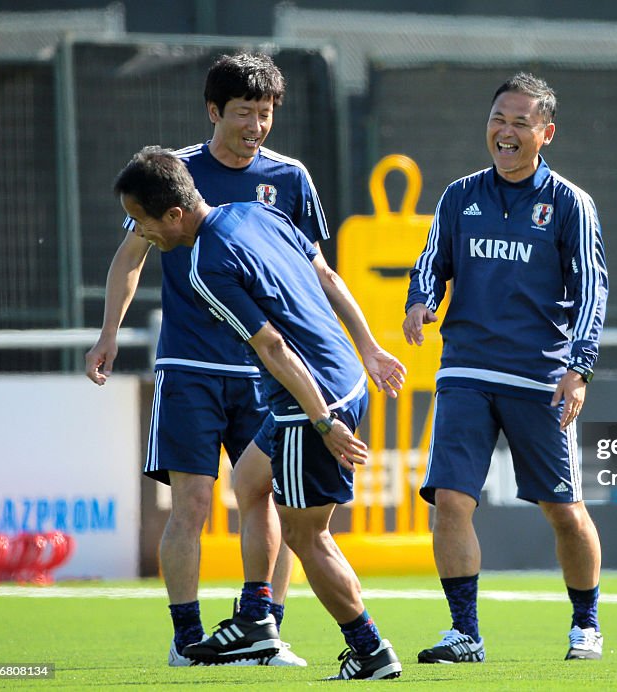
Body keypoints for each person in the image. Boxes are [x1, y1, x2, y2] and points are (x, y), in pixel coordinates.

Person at [85, 53, 402, 667]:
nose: (256, 125)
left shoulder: (279, 187)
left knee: (302, 527)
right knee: (225, 493)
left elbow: (306, 297)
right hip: (200, 367)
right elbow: (130, 256)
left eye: (265, 114)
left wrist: (348, 376)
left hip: (288, 376)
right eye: (244, 113)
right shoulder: (176, 178)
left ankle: (348, 644)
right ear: (213, 112)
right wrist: (108, 333)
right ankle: (205, 634)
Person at [403, 72, 610, 663]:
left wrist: (580, 368)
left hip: (540, 378)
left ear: (547, 133)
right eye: (499, 118)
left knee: (564, 511)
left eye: (521, 122)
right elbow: (430, 261)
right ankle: (464, 633)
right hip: (465, 370)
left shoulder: (570, 203)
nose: (507, 131)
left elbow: (593, 290)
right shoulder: (459, 195)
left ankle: (586, 625)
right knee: (450, 500)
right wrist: (420, 301)